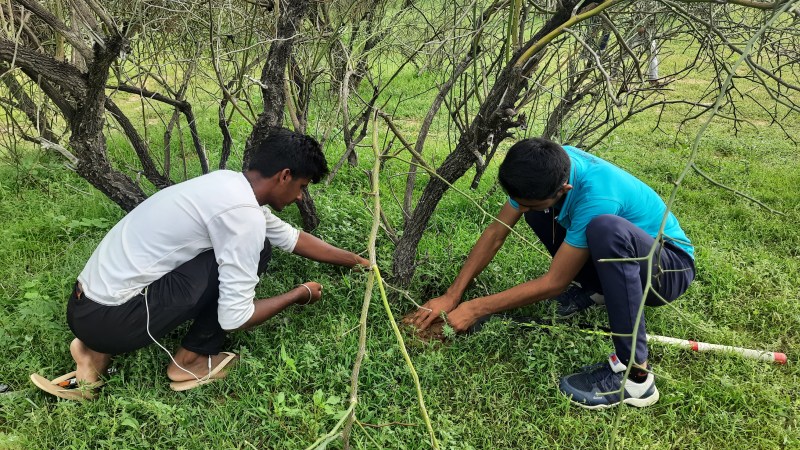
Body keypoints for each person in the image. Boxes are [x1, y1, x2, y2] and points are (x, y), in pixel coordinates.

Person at [31, 129, 369, 400]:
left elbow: (293, 238)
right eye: (302, 187)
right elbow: (236, 317)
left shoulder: (225, 184)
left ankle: (92, 355)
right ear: (284, 176)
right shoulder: (243, 216)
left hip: (83, 308)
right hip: (112, 321)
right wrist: (299, 293)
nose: (299, 197)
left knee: (255, 244)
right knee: (258, 250)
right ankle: (190, 361)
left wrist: (357, 262)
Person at [408, 138, 695, 409]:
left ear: (564, 189)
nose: (520, 209)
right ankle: (598, 290)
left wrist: (474, 308)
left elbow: (554, 283)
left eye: (527, 203)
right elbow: (496, 232)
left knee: (605, 229)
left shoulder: (597, 197)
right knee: (539, 210)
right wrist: (452, 294)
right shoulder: (545, 168)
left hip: (667, 270)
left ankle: (636, 378)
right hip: (626, 257)